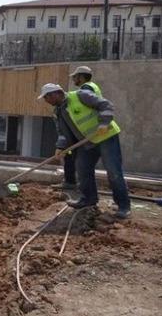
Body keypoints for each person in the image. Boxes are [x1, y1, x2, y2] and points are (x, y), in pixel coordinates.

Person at [38, 83, 131, 219]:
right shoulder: (58, 112)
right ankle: (88, 199)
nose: (46, 101)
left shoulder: (81, 96)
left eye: (47, 97)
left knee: (113, 172)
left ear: (56, 93)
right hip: (87, 143)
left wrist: (104, 123)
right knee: (82, 169)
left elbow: (106, 105)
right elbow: (63, 133)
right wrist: (60, 147)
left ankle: (123, 206)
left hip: (106, 137)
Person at [59, 66, 102, 190]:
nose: (73, 79)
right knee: (73, 158)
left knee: (84, 164)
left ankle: (81, 188)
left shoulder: (86, 89)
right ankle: (73, 183)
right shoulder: (90, 88)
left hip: (88, 133)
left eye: (75, 77)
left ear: (81, 77)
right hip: (86, 133)